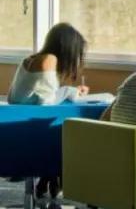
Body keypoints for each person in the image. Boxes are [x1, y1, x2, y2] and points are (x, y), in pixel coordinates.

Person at [6, 22, 90, 199]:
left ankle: (49, 179)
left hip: (17, 127)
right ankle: (55, 178)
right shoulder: (49, 60)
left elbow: (25, 97)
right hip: (29, 131)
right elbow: (47, 102)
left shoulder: (32, 58)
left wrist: (70, 91)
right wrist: (71, 92)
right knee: (72, 132)